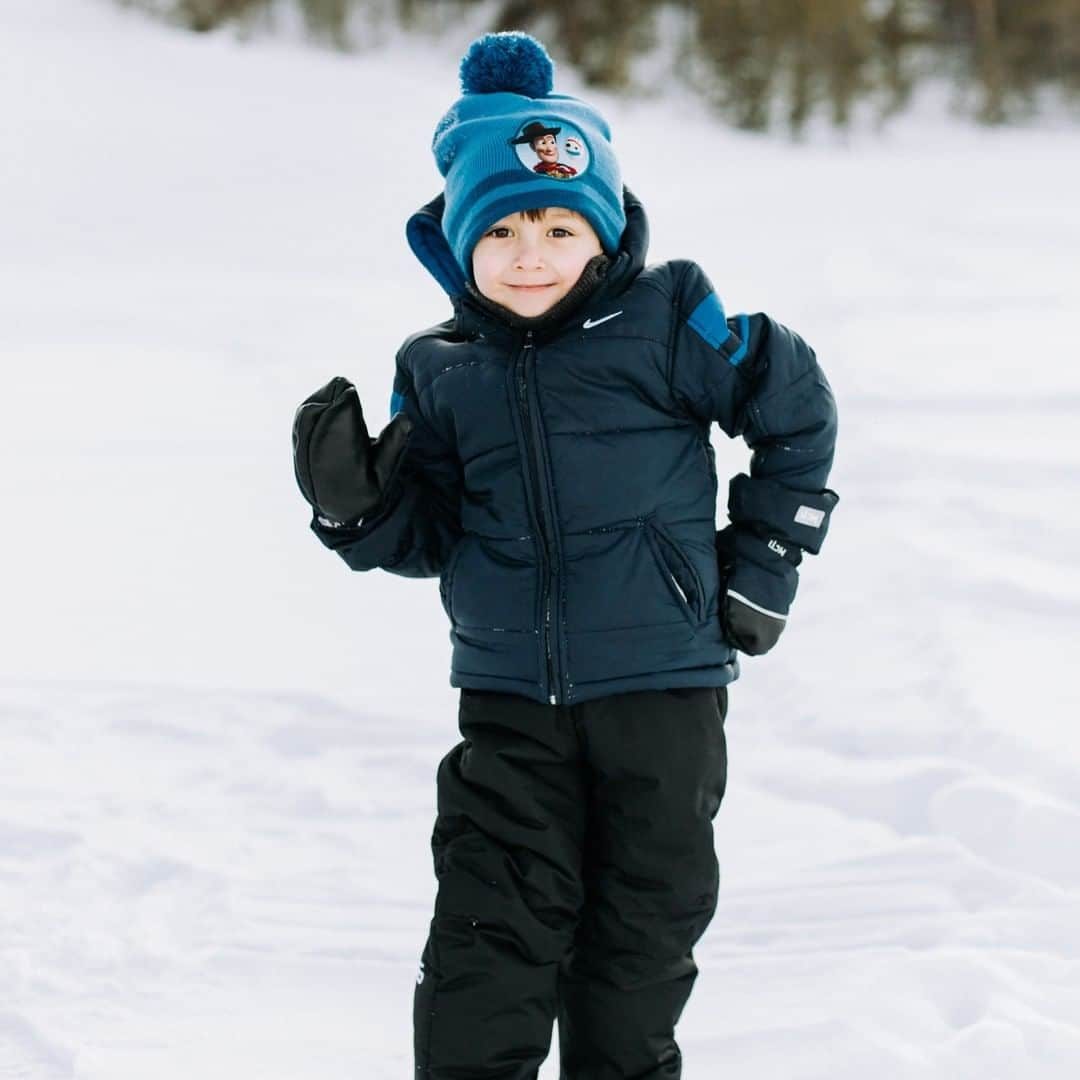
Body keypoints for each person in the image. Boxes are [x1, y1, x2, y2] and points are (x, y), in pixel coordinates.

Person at [291, 31, 838, 1080]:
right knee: (488, 939)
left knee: (641, 934)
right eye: (500, 229)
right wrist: (357, 514)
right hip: (508, 702)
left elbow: (796, 412)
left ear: (603, 232)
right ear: (459, 247)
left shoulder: (669, 318)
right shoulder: (438, 368)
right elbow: (433, 533)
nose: (530, 253)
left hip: (664, 692)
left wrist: (764, 563)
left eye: (555, 225)